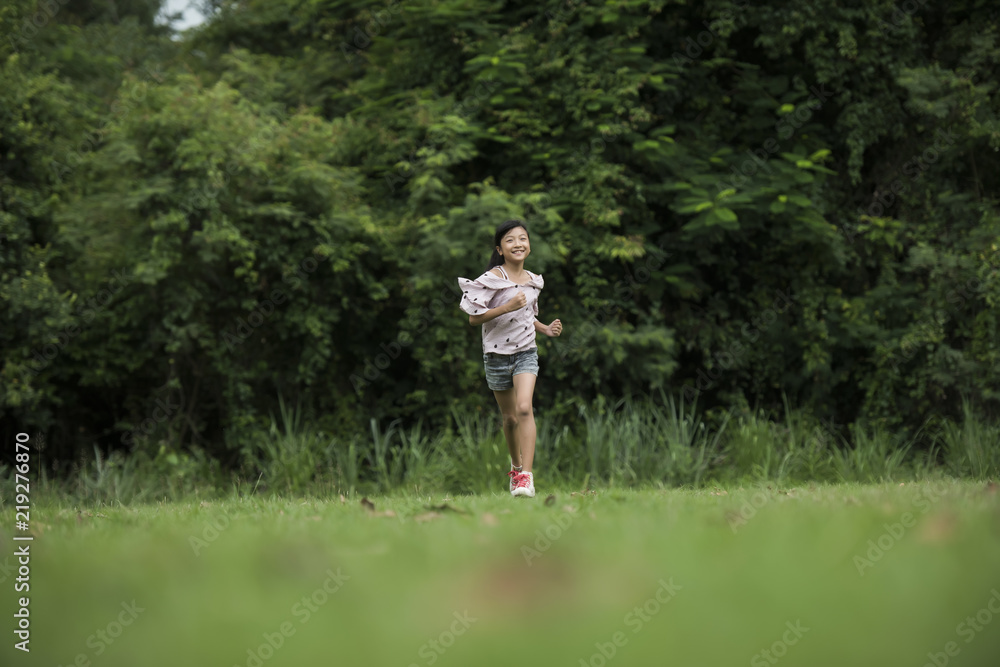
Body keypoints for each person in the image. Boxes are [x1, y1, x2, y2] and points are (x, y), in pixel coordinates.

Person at [457, 219, 563, 498]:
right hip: (496, 356)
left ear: (529, 245)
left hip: (526, 352)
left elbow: (528, 315)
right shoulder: (491, 279)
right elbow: (473, 318)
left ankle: (526, 478)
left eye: (523, 238)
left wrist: (545, 329)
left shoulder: (534, 281)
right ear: (500, 249)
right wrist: (506, 306)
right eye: (510, 240)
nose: (518, 244)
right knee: (510, 418)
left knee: (524, 408)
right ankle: (515, 468)